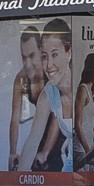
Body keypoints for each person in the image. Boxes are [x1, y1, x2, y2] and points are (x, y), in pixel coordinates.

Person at [22, 18, 75, 172]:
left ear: (69, 53)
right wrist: (18, 178)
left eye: (55, 54)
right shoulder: (48, 93)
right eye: (45, 57)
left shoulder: (81, 85)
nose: (49, 65)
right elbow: (32, 142)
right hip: (72, 163)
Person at [8, 26, 46, 171]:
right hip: (39, 131)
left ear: (41, 51)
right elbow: (15, 119)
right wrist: (12, 152)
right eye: (24, 57)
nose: (28, 64)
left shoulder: (51, 72)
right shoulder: (21, 78)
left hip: (58, 128)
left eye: (32, 56)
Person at [73, 53, 94, 171]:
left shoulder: (90, 91)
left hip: (88, 146)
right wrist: (89, 152)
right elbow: (77, 125)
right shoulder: (82, 89)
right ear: (91, 69)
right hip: (81, 149)